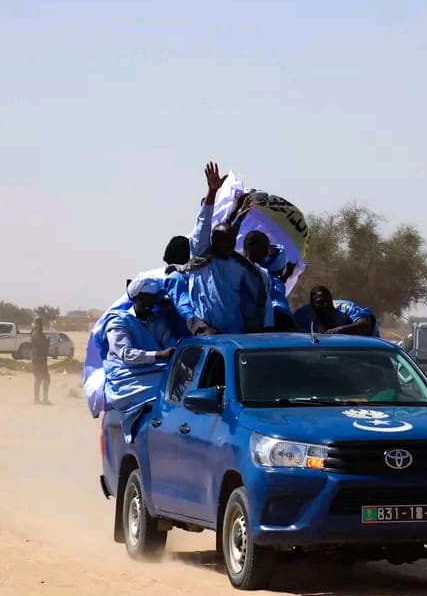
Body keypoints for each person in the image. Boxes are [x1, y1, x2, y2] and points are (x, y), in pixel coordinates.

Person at [171, 162, 270, 334]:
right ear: (213, 241)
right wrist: (212, 191)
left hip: (235, 334)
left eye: (230, 242)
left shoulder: (241, 267)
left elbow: (229, 232)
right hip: (207, 335)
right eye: (221, 242)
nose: (226, 246)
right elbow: (204, 222)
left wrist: (239, 215)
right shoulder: (202, 257)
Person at [98, 276, 181, 414]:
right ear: (135, 298)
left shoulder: (156, 322)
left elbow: (169, 342)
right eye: (145, 297)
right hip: (127, 376)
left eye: (152, 298)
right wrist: (158, 355)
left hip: (155, 369)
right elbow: (126, 354)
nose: (149, 302)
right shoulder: (118, 322)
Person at [243, 229, 298, 332]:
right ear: (253, 246)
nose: (266, 253)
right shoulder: (235, 269)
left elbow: (270, 300)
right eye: (265, 248)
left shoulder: (263, 274)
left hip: (264, 331)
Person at [293, 286, 379, 336]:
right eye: (321, 302)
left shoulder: (346, 308)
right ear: (312, 305)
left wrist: (340, 330)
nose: (326, 305)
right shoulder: (302, 314)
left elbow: (365, 326)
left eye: (328, 301)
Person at [30, 317, 51, 405]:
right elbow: (41, 345)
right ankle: (39, 400)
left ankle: (42, 399)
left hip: (41, 360)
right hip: (38, 360)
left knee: (44, 380)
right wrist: (47, 342)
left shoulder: (37, 333)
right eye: (40, 323)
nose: (42, 325)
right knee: (41, 379)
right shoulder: (36, 334)